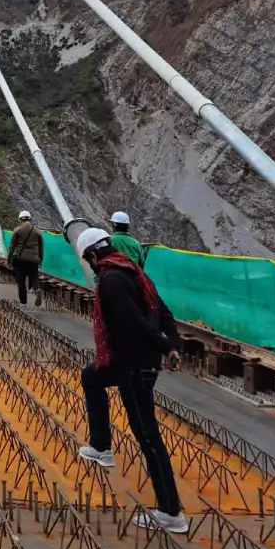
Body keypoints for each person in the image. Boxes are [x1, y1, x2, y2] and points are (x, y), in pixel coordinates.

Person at [74, 227, 186, 532]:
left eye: (88, 260)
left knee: (149, 437)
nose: (90, 266)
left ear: (95, 256)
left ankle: (171, 512)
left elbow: (134, 324)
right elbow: (163, 311)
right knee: (91, 377)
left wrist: (165, 346)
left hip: (134, 366)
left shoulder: (111, 281)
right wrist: (173, 342)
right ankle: (101, 446)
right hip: (131, 362)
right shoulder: (134, 270)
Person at [7, 209, 44, 307]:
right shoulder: (37, 231)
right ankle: (37, 289)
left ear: (20, 219)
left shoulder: (17, 230)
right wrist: (40, 259)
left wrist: (8, 259)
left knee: (21, 281)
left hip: (21, 259)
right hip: (34, 259)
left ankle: (23, 303)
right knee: (34, 277)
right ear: (30, 219)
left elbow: (12, 246)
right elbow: (41, 247)